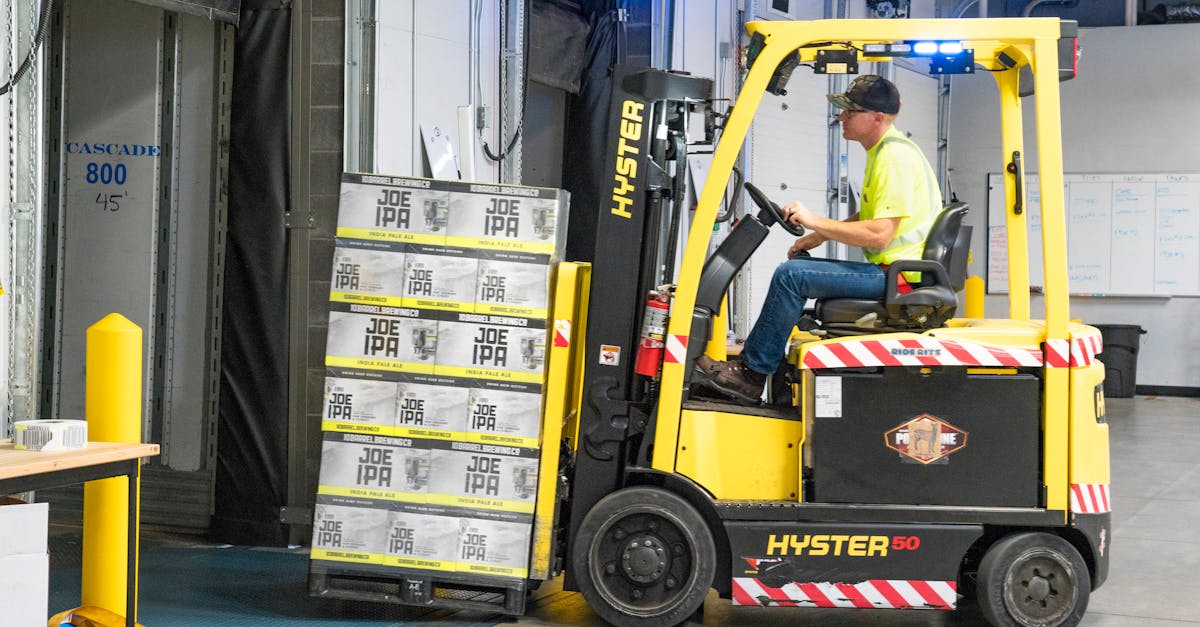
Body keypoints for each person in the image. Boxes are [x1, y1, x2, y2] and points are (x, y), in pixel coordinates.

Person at [699, 74, 943, 403]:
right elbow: (872, 214)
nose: (840, 117)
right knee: (799, 268)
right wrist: (815, 236)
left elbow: (880, 233)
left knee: (791, 276)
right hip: (895, 272)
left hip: (899, 278)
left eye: (849, 111)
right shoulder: (886, 151)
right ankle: (758, 367)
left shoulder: (893, 157)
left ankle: (752, 375)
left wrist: (814, 220)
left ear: (876, 118)